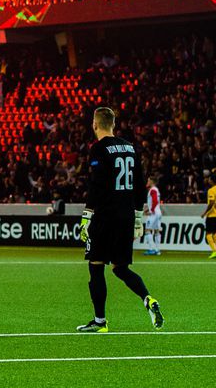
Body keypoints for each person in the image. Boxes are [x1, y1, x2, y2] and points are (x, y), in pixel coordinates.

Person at [76, 107, 163, 332]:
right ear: (113, 124)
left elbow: (95, 185)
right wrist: (137, 217)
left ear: (95, 124)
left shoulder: (98, 149)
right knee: (120, 268)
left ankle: (100, 321)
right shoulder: (129, 147)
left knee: (96, 267)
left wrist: (86, 216)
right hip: (125, 216)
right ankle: (148, 299)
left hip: (105, 217)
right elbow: (139, 184)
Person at [143, 178, 162, 256]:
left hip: (154, 213)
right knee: (157, 230)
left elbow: (155, 201)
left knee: (147, 230)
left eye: (148, 180)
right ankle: (157, 250)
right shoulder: (156, 190)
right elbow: (154, 202)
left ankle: (151, 249)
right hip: (158, 212)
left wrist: (151, 210)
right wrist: (147, 210)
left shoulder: (152, 190)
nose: (147, 182)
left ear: (151, 181)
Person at [204, 178, 216, 260]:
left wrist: (205, 213)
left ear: (212, 181)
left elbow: (212, 202)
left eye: (209, 179)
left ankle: (214, 251)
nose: (208, 180)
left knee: (208, 233)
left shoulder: (211, 190)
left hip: (212, 215)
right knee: (215, 233)